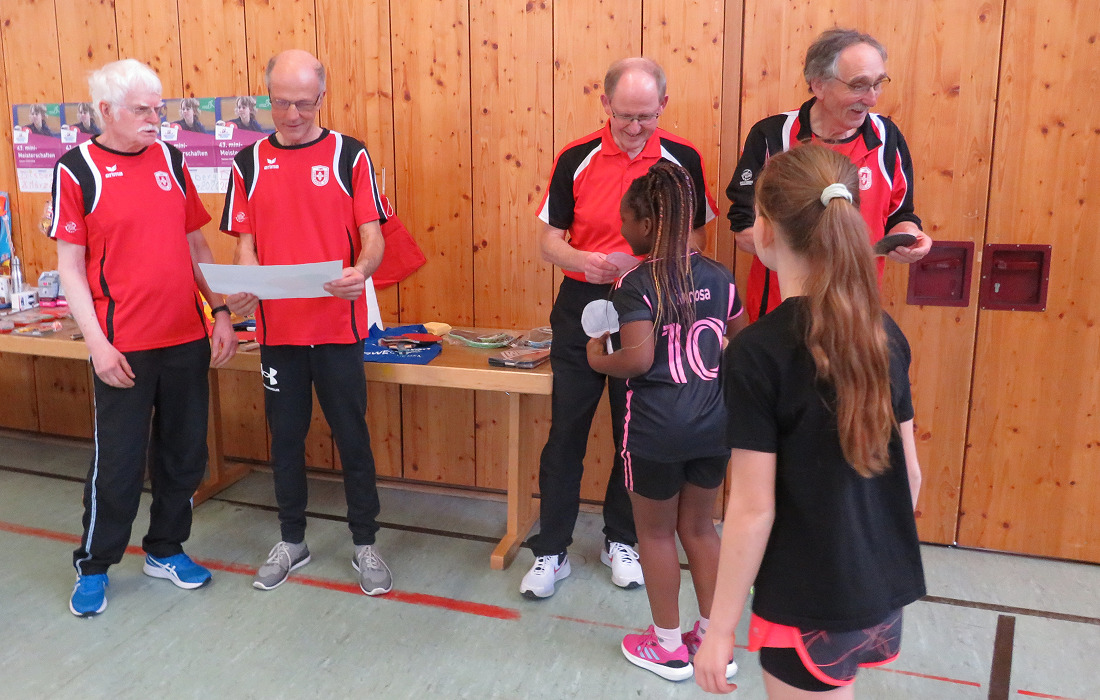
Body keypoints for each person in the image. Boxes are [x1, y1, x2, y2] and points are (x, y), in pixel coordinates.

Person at [694, 144, 925, 697]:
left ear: (766, 230)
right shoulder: (883, 331)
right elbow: (911, 476)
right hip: (878, 587)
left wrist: (719, 629)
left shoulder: (757, 352)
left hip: (808, 598)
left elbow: (752, 509)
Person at [522, 57, 719, 599]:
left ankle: (622, 540)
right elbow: (549, 241)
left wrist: (648, 263)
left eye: (646, 117)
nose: (635, 127)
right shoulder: (576, 156)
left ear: (663, 107)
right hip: (583, 303)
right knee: (567, 431)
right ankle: (551, 549)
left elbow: (698, 239)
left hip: (651, 306)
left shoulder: (684, 158)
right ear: (606, 103)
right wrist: (585, 261)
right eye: (626, 115)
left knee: (633, 433)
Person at [49, 58, 237, 617]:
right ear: (106, 110)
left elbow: (196, 245)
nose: (156, 118)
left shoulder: (172, 160)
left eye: (159, 108)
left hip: (185, 338)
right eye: (142, 110)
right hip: (122, 346)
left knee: (184, 455)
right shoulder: (76, 170)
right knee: (120, 465)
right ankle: (94, 565)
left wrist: (220, 310)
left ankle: (165, 549)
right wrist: (97, 346)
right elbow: (70, 268)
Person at [220, 49, 390, 596]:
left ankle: (365, 542)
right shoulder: (247, 162)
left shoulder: (349, 154)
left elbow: (373, 237)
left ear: (322, 96)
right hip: (278, 333)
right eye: (281, 103)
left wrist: (361, 270)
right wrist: (245, 286)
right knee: (286, 440)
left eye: (304, 103)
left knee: (352, 437)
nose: (292, 114)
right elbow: (245, 244)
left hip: (338, 329)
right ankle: (292, 539)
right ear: (266, 98)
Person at [586, 162, 746, 682]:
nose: (622, 230)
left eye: (625, 220)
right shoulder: (720, 276)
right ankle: (715, 640)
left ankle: (668, 646)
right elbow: (741, 344)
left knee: (654, 535)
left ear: (649, 224)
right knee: (700, 529)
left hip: (656, 430)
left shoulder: (636, 282)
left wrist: (596, 358)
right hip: (714, 425)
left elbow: (637, 359)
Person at [726, 28, 932, 322]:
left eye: (878, 84)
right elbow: (744, 232)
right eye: (859, 85)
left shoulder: (888, 138)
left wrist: (910, 237)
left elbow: (901, 215)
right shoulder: (772, 136)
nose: (872, 99)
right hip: (780, 312)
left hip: (856, 312)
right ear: (819, 85)